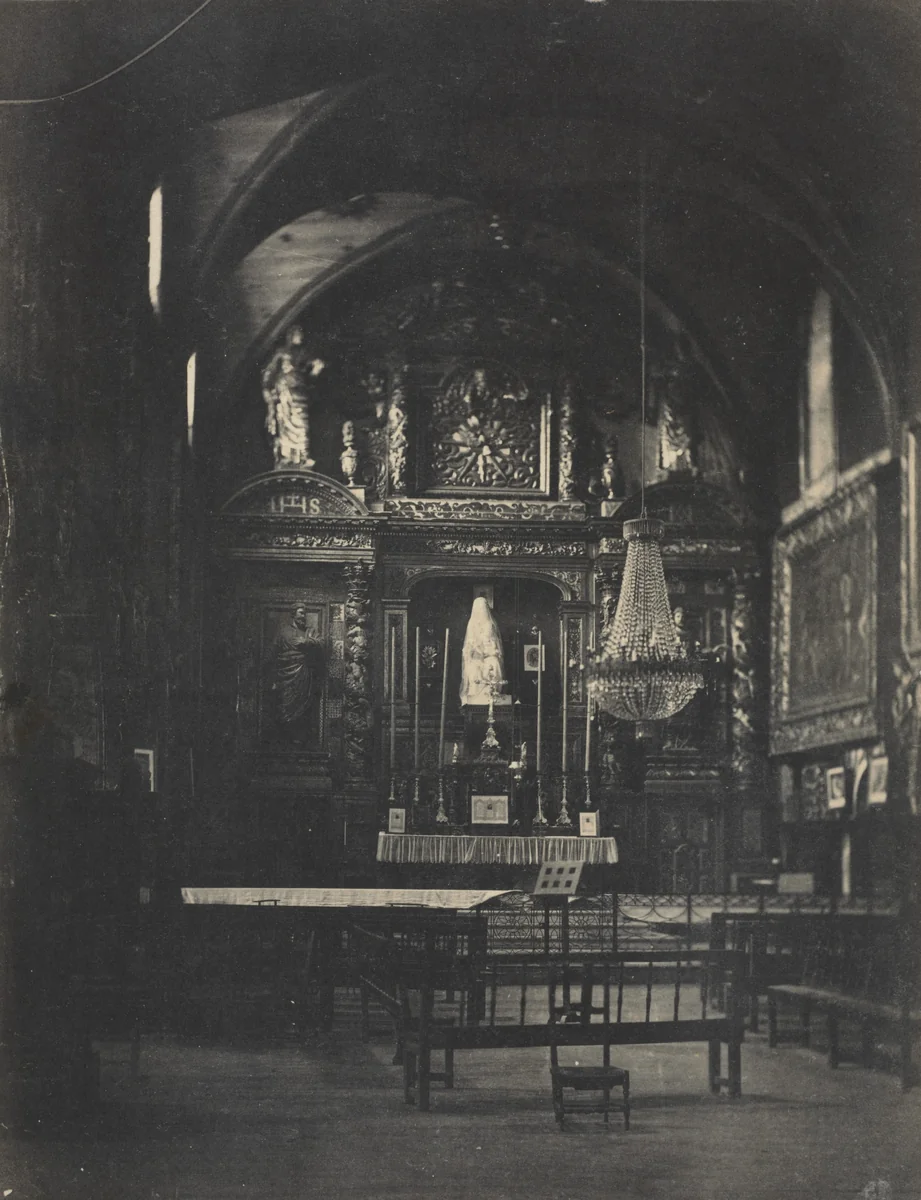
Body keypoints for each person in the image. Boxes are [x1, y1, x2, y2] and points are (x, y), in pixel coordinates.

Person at [261, 325, 324, 469]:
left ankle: (303, 456)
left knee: (302, 424)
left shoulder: (304, 354)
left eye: (301, 333)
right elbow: (268, 374)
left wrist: (315, 370)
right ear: (291, 335)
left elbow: (313, 372)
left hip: (300, 394)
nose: (301, 336)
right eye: (298, 333)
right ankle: (286, 457)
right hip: (285, 394)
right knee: (285, 424)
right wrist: (269, 394)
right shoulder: (281, 353)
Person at [269, 605, 324, 740]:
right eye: (300, 613)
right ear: (293, 614)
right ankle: (284, 737)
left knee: (303, 703)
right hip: (285, 674)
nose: (303, 616)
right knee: (285, 704)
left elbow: (322, 643)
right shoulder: (283, 631)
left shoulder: (310, 631)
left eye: (304, 614)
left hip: (303, 673)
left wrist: (307, 641)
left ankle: (300, 737)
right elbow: (273, 652)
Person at [459, 595, 507, 705]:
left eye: (483, 608)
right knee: (474, 668)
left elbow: (493, 646)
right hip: (476, 658)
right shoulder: (471, 625)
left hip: (488, 656)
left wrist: (488, 652)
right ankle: (475, 696)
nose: (481, 611)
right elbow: (468, 646)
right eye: (479, 608)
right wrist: (472, 652)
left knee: (494, 664)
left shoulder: (490, 625)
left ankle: (491, 695)